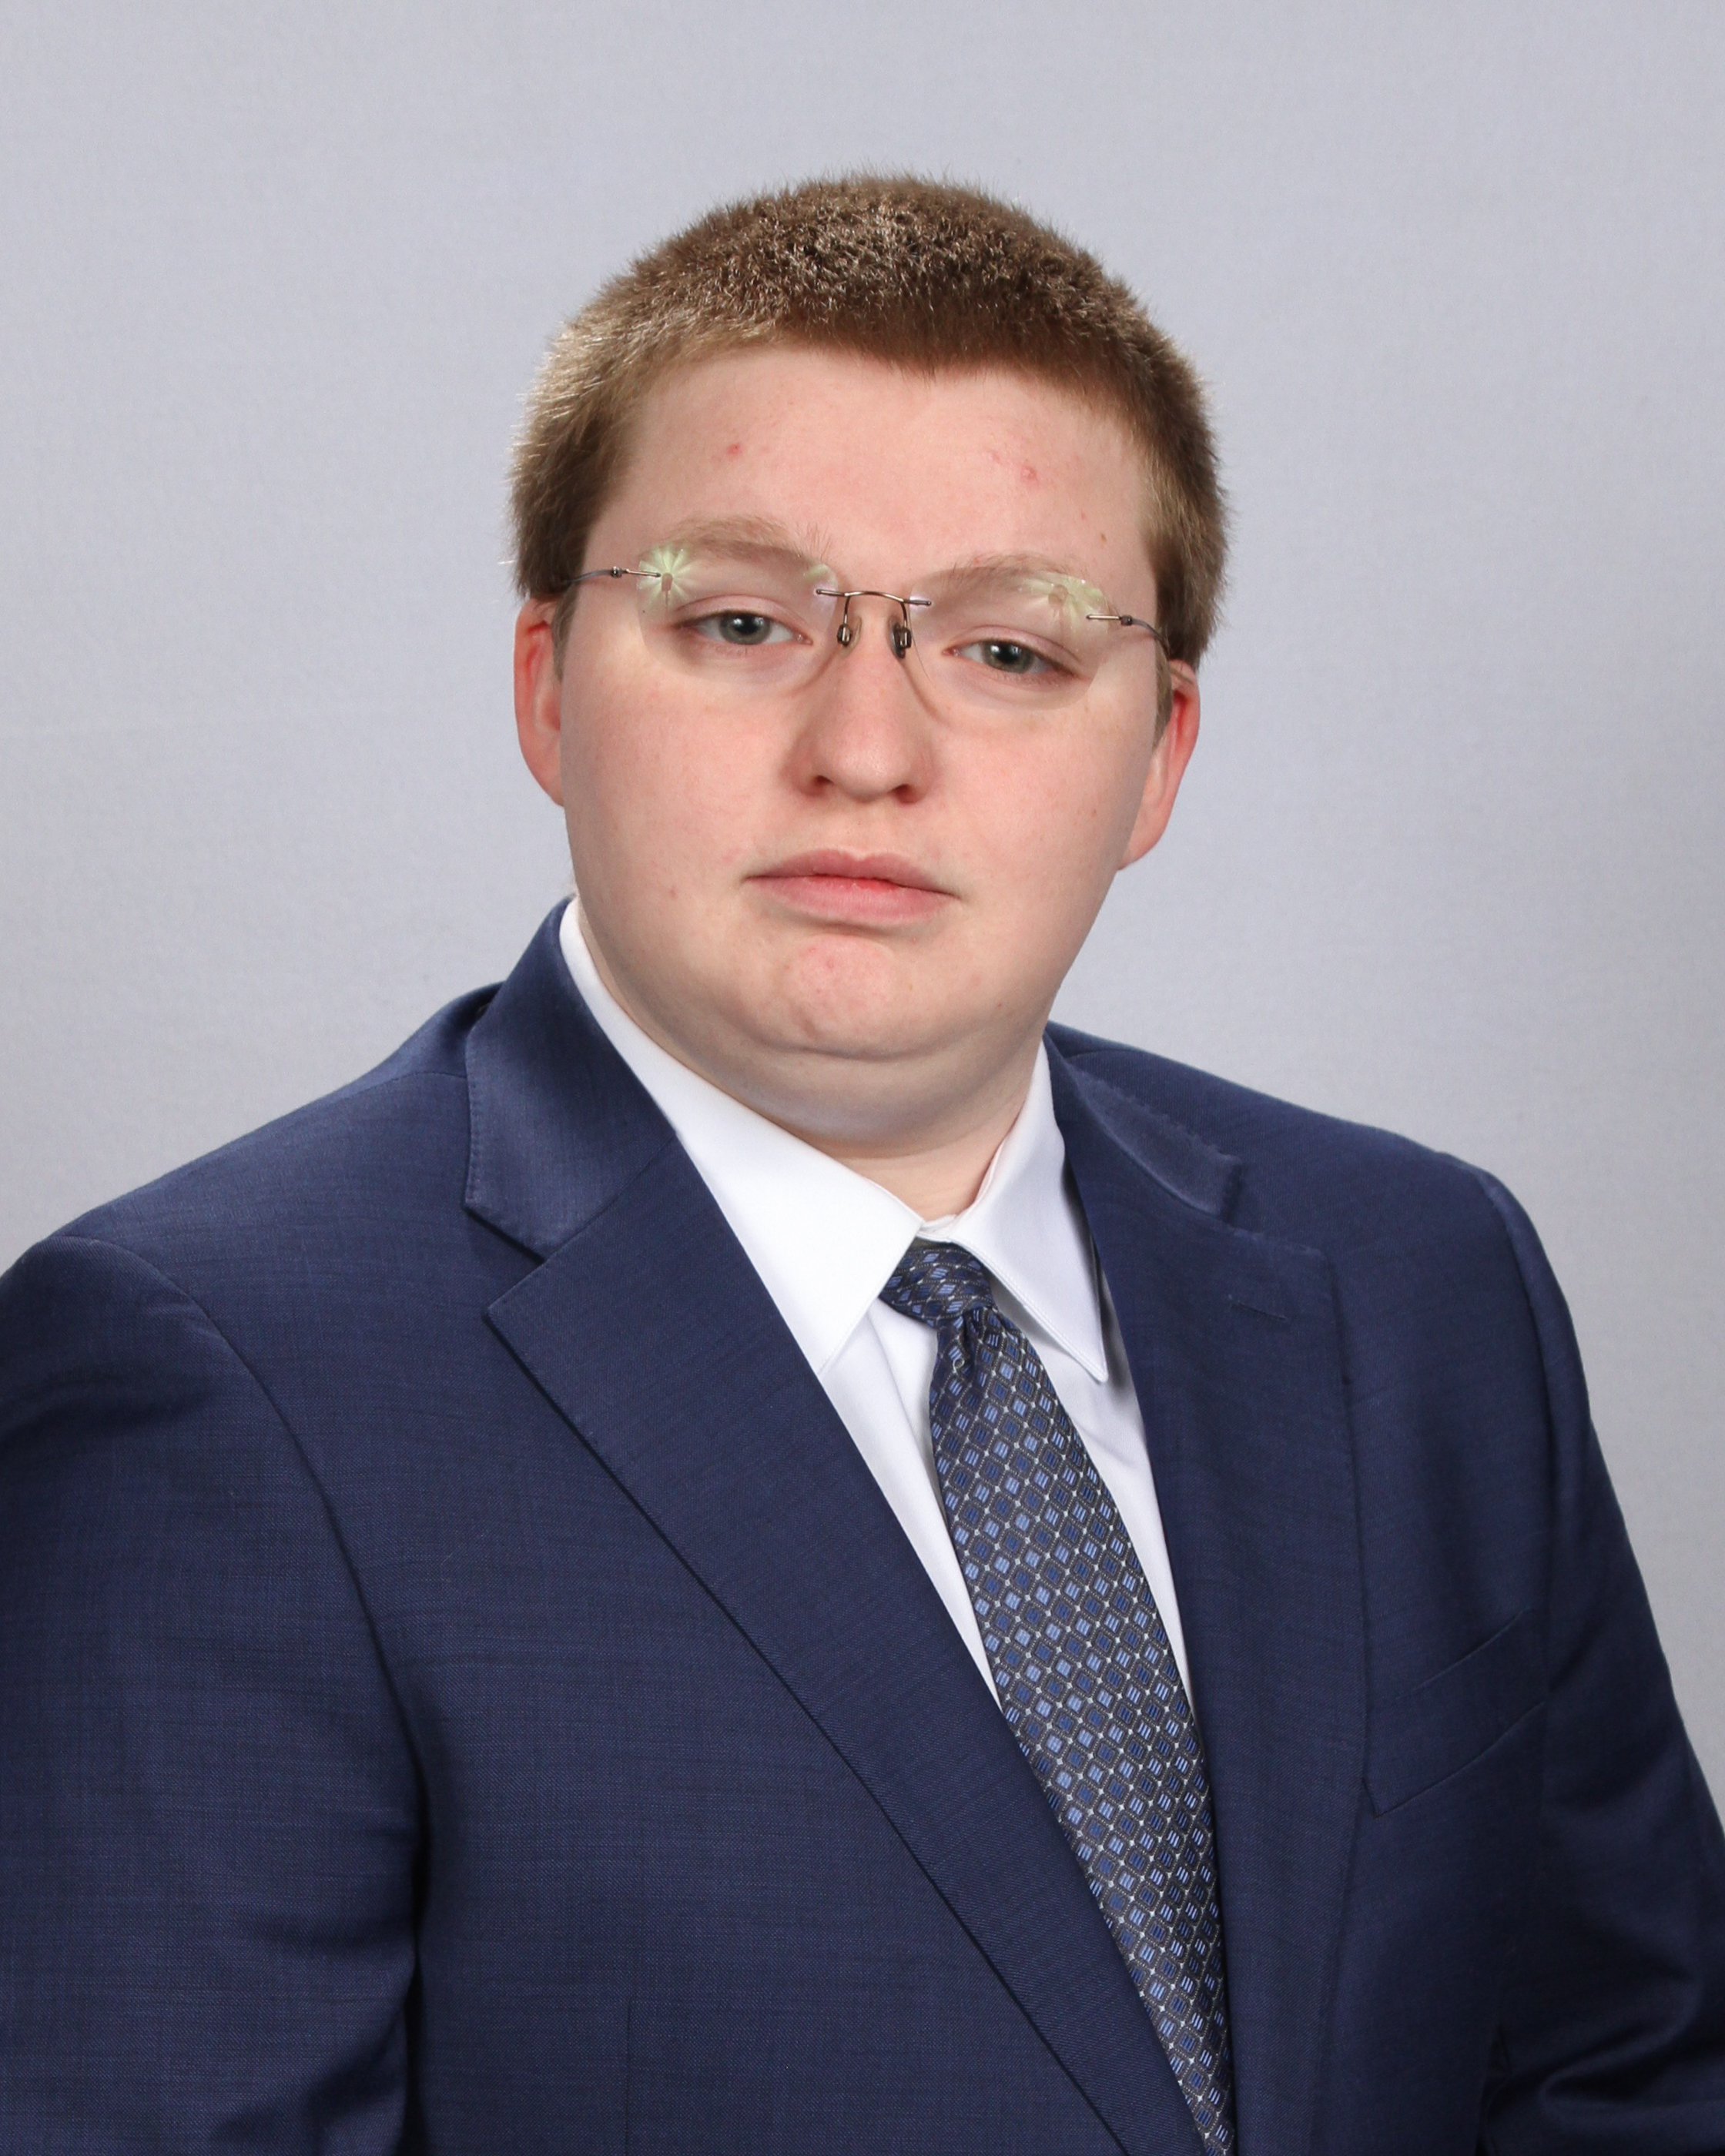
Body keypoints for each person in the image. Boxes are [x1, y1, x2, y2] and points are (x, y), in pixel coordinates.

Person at [1, 175, 1720, 2156]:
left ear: (1158, 755)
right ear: (548, 685)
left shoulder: (1416, 1278)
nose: (867, 748)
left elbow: (1632, 2071)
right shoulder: (218, 1375)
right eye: (741, 622)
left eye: (1009, 649)